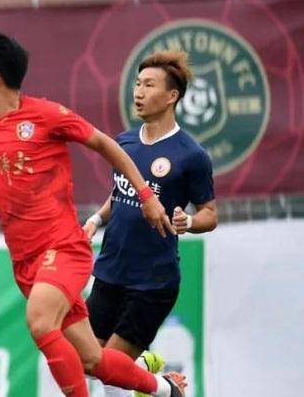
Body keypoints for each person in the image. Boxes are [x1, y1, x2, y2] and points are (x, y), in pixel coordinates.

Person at [0, 32, 186, 397]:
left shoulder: (47, 115)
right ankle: (165, 389)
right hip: (25, 262)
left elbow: (105, 144)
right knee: (92, 360)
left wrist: (146, 195)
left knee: (40, 321)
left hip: (63, 249)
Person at [83, 50, 217, 397]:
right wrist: (96, 219)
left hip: (152, 281)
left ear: (172, 96)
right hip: (111, 270)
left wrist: (189, 221)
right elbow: (120, 192)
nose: (139, 92)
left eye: (149, 85)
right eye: (138, 84)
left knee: (109, 369)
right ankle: (147, 367)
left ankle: (163, 387)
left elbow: (210, 214)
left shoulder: (191, 155)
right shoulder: (124, 143)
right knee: (86, 362)